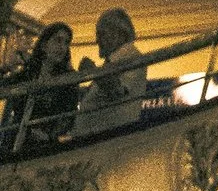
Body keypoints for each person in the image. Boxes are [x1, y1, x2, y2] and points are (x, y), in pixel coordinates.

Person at [3, 26, 78, 157]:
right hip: (16, 139)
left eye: (66, 43)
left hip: (45, 145)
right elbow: (4, 86)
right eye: (58, 40)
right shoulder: (28, 73)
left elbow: (69, 115)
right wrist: (6, 68)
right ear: (44, 45)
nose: (62, 47)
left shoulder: (68, 80)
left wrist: (50, 135)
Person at [82, 13, 146, 120]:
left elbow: (117, 92)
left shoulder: (129, 55)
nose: (97, 40)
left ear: (120, 34)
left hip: (113, 129)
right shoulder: (112, 61)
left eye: (102, 34)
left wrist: (93, 71)